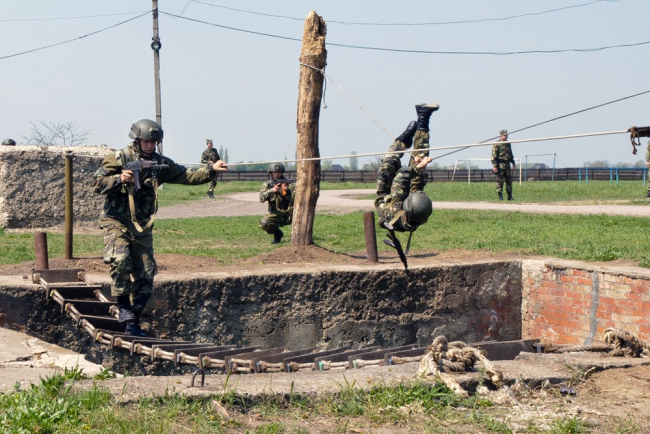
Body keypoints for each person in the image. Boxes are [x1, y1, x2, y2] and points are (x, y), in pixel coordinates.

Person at [93, 119, 227, 337]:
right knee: (121, 259)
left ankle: (133, 321)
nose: (150, 145)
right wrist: (118, 178)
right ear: (137, 140)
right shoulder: (120, 157)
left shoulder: (159, 163)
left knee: (146, 275)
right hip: (116, 220)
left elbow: (187, 175)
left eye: (153, 142)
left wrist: (211, 169)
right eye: (146, 141)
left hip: (141, 225)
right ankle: (123, 306)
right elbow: (96, 183)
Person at [375, 103, 437, 234]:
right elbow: (415, 182)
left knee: (387, 166)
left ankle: (402, 141)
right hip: (407, 204)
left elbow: (400, 177)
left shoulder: (395, 207)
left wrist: (416, 167)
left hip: (387, 197)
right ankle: (423, 117)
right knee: (419, 171)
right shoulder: (418, 213)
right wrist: (419, 168)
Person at [259, 163, 295, 244]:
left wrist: (287, 191)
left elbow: (296, 199)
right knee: (264, 223)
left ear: (282, 172)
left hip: (290, 213)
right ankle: (277, 234)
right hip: (276, 214)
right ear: (271, 173)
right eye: (275, 172)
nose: (277, 174)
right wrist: (272, 190)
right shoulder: (267, 184)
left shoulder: (290, 184)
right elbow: (261, 199)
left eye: (279, 172)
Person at [491, 129, 516, 201]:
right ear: (501, 135)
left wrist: (513, 163)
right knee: (500, 181)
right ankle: (500, 196)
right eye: (505, 135)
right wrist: (495, 166)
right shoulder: (496, 144)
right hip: (500, 164)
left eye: (507, 135)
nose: (506, 136)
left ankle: (510, 196)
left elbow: (510, 154)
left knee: (509, 181)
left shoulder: (508, 143)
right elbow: (494, 156)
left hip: (507, 164)